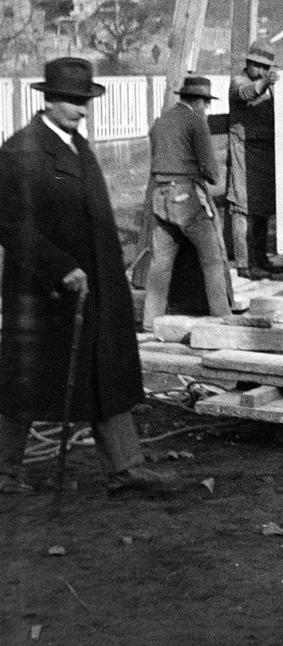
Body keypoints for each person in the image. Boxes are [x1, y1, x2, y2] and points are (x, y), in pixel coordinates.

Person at [0, 58, 177, 496]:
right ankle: (2, 472)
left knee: (105, 374)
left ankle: (126, 467)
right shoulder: (21, 151)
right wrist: (61, 268)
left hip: (94, 288)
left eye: (85, 101)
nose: (82, 109)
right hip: (47, 294)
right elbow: (10, 225)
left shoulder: (77, 145)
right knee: (23, 386)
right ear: (49, 100)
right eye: (73, 101)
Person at [142, 76, 232, 331]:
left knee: (161, 263)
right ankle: (222, 318)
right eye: (206, 103)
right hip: (187, 196)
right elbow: (211, 170)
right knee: (212, 258)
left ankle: (150, 322)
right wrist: (213, 177)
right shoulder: (196, 121)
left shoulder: (160, 123)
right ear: (201, 102)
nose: (206, 108)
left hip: (159, 196)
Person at [226, 40, 283, 279]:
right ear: (247, 64)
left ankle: (260, 258)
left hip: (265, 151)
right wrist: (263, 83)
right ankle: (243, 264)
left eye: (264, 67)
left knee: (262, 209)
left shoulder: (268, 87)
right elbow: (245, 93)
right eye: (256, 66)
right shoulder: (239, 82)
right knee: (242, 208)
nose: (259, 71)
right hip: (243, 151)